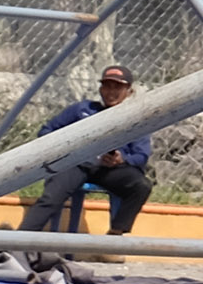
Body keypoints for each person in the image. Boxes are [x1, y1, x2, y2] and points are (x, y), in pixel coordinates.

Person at [19, 65, 153, 270]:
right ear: (100, 89)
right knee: (50, 197)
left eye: (117, 87)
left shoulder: (136, 119)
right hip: (77, 164)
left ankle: (113, 240)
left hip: (110, 170)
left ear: (129, 91)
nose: (111, 91)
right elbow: (46, 131)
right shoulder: (82, 110)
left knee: (141, 185)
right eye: (107, 86)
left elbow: (141, 155)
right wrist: (67, 150)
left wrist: (121, 159)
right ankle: (16, 243)